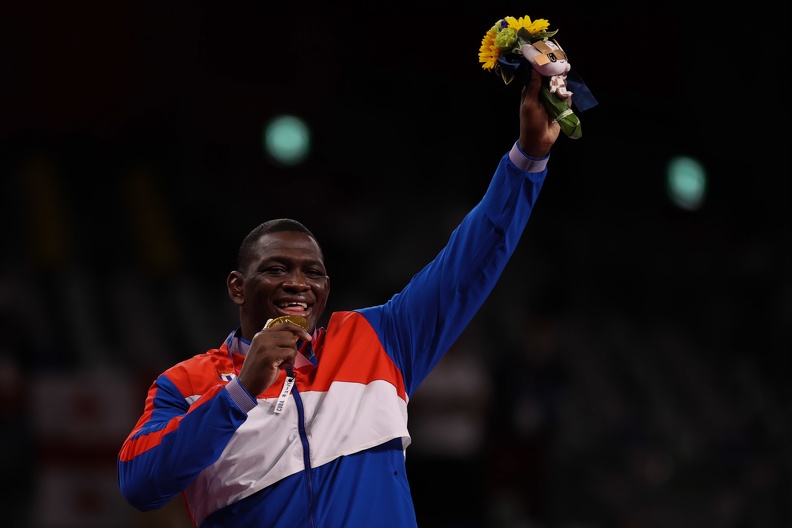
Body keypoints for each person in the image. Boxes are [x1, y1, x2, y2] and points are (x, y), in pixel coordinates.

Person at [117, 67, 565, 528]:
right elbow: (140, 485)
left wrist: (527, 159)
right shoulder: (187, 384)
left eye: (313, 273)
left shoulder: (378, 340)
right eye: (276, 269)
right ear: (237, 287)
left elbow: (467, 264)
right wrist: (239, 393)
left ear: (325, 291)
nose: (298, 283)